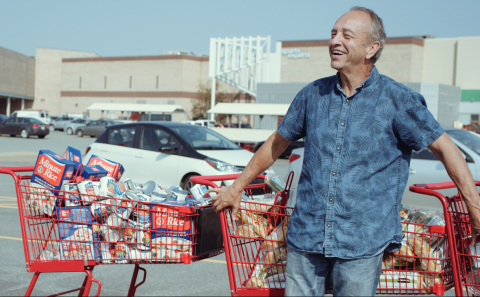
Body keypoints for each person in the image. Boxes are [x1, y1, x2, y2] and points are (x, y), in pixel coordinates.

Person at [206, 6, 480, 297]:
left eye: (346, 35)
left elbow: (446, 148)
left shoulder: (398, 100)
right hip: (306, 237)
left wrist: (475, 209)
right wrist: (236, 188)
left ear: (371, 48)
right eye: (333, 34)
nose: (335, 41)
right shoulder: (312, 94)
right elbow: (276, 144)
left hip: (361, 244)